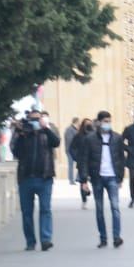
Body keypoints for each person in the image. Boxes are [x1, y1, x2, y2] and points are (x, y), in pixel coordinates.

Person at [11, 108, 61, 252]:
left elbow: (56, 142)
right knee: (27, 213)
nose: (34, 122)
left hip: (45, 178)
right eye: (32, 119)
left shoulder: (47, 132)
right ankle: (30, 241)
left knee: (45, 209)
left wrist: (45, 128)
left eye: (37, 119)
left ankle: (46, 240)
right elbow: (16, 152)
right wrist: (21, 134)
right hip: (26, 178)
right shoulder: (22, 133)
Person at [78, 110, 127, 248]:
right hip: (97, 177)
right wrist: (84, 180)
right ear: (98, 122)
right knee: (99, 209)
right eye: (105, 121)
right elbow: (84, 160)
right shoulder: (90, 139)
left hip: (112, 177)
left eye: (109, 121)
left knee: (115, 207)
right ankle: (103, 238)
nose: (107, 124)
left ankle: (117, 237)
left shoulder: (117, 138)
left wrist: (120, 177)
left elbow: (121, 159)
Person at [71, 119, 94, 209]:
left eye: (89, 124)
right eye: (86, 124)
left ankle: (91, 193)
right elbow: (72, 148)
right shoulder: (78, 136)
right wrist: (76, 157)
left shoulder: (94, 135)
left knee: (95, 180)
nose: (88, 126)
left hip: (93, 162)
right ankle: (84, 200)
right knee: (82, 181)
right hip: (82, 161)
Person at [63, 117, 80, 185]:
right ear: (76, 122)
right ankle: (71, 180)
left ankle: (78, 178)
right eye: (78, 122)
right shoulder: (69, 129)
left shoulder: (76, 129)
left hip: (76, 150)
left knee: (80, 164)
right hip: (70, 150)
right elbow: (70, 140)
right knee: (71, 165)